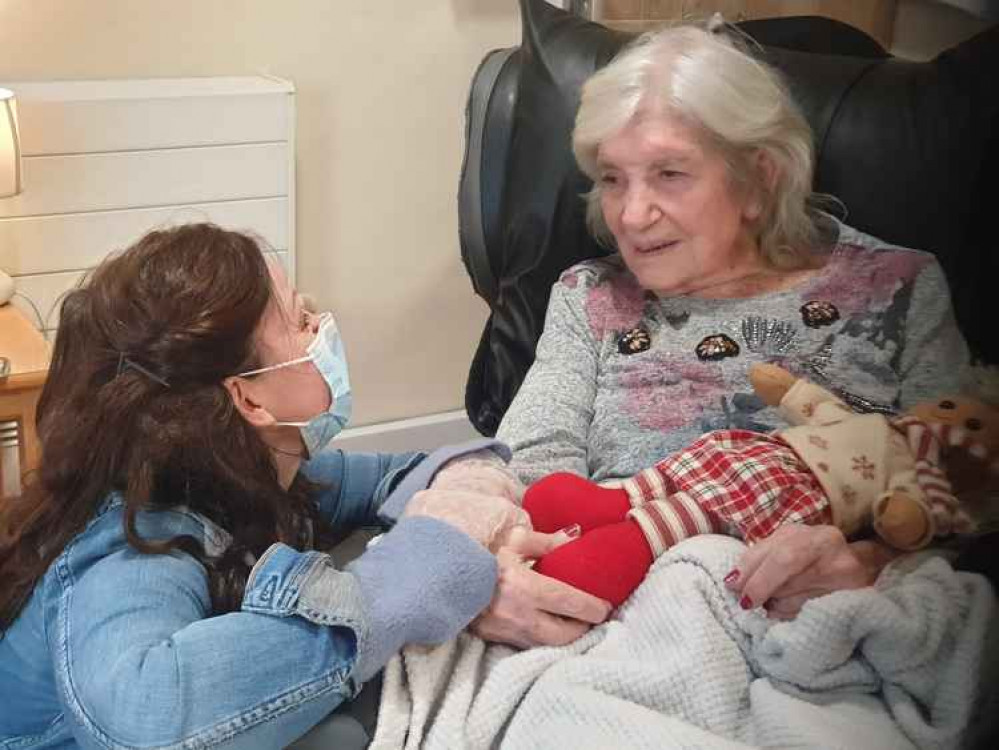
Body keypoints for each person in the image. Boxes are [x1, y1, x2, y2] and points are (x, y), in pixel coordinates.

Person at [0, 223, 603, 749]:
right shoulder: (139, 545)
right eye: (297, 318)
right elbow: (145, 723)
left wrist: (475, 513)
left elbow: (412, 468)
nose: (321, 327)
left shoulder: (261, 474)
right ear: (248, 397)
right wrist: (405, 581)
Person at [495, 24, 971, 620]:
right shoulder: (589, 296)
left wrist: (872, 563)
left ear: (759, 179)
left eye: (670, 173)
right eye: (612, 178)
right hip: (614, 598)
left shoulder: (897, 288)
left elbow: (968, 480)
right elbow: (532, 464)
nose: (632, 214)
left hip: (814, 614)